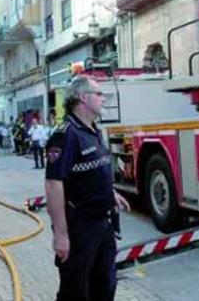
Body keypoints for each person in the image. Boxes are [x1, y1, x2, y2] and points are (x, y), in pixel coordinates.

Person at [45, 75, 130, 301]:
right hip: (79, 229)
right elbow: (54, 185)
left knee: (105, 287)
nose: (103, 98)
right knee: (76, 292)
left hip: (103, 225)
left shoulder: (93, 130)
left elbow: (93, 169)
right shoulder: (65, 135)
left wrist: (110, 193)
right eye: (99, 94)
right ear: (83, 98)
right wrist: (61, 235)